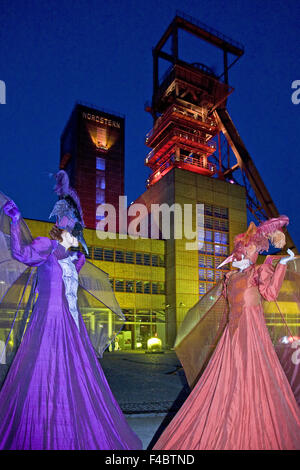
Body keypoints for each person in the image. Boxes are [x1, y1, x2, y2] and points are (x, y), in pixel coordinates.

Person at [0, 171, 142, 450]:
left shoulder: (75, 260)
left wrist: (76, 249)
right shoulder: (46, 247)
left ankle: (70, 424)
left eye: (75, 223)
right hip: (47, 324)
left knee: (74, 379)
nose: (74, 226)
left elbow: (74, 290)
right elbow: (21, 254)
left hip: (71, 326)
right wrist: (16, 221)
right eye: (69, 221)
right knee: (44, 375)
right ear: (62, 223)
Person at [153, 216, 300, 450]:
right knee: (229, 381)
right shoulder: (230, 278)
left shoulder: (256, 272)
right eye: (245, 249)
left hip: (252, 336)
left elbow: (271, 294)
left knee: (253, 379)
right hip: (232, 338)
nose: (246, 253)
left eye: (251, 249)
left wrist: (281, 265)